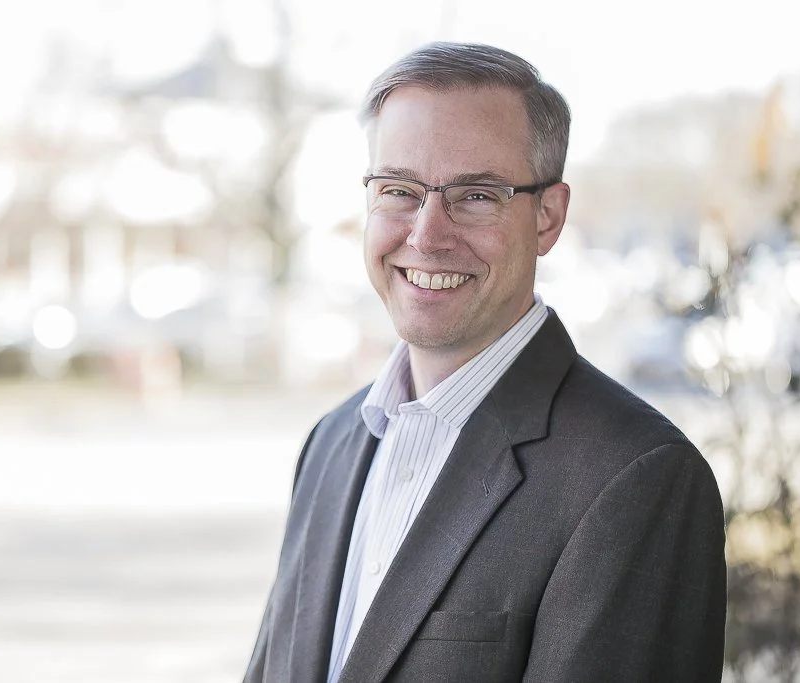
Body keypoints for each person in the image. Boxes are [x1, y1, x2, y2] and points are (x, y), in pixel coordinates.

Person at [243, 42, 726, 683]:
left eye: (475, 195)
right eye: (398, 189)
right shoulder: (330, 445)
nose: (425, 234)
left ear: (548, 217)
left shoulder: (637, 479)